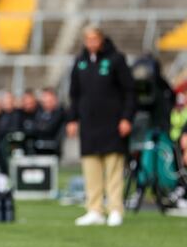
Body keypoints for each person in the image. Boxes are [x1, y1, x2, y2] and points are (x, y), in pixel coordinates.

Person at [67, 25, 134, 227]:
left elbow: (130, 91)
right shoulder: (80, 62)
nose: (91, 43)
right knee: (91, 167)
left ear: (102, 39)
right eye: (87, 39)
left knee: (113, 168)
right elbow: (74, 94)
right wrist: (72, 119)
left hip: (113, 123)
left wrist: (126, 118)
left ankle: (115, 209)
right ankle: (94, 209)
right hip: (89, 123)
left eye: (94, 39)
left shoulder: (116, 60)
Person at [30, 87, 65, 155]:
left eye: (49, 100)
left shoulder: (59, 112)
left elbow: (49, 128)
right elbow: (34, 127)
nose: (46, 103)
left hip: (53, 149)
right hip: (38, 148)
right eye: (44, 100)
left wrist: (40, 127)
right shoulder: (39, 112)